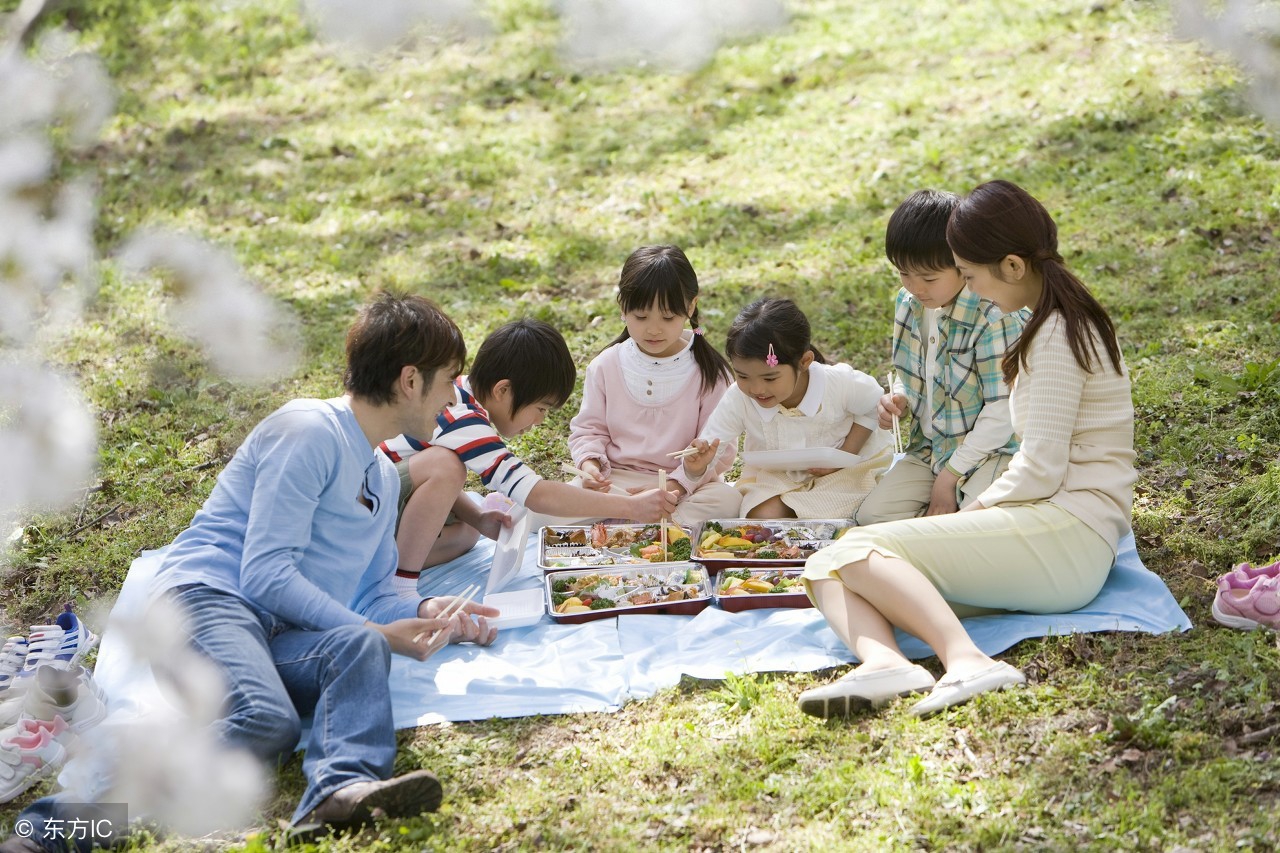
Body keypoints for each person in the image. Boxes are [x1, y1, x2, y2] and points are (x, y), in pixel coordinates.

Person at [0, 292, 502, 852]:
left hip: (274, 633)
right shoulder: (309, 430)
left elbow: (374, 595)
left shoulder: (381, 477)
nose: (456, 397)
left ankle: (341, 788)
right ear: (411, 380)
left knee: (359, 650)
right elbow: (264, 575)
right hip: (208, 601)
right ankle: (54, 827)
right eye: (450, 380)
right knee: (268, 720)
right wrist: (370, 628)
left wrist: (428, 614)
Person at [796, 180, 1136, 719]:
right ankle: (885, 663)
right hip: (1053, 532)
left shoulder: (1054, 335)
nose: (973, 292)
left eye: (972, 276)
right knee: (825, 568)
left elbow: (1040, 470)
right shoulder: (1054, 319)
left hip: (1071, 531)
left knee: (857, 550)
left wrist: (960, 515)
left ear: (1013, 266)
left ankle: (967, 660)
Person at [383, 318, 677, 595]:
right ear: (503, 390)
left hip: (391, 496)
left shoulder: (462, 394)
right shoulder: (464, 419)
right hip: (369, 502)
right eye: (541, 409)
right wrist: (630, 507)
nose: (539, 421)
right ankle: (400, 587)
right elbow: (536, 494)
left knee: (469, 532)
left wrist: (477, 518)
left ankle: (383, 562)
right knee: (449, 469)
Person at [855, 189, 1027, 525]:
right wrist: (900, 396)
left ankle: (948, 514)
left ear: (962, 266)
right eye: (904, 274)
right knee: (872, 517)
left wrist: (949, 477)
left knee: (974, 524)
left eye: (929, 278)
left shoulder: (993, 316)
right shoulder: (909, 305)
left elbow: (1003, 410)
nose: (916, 288)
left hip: (992, 451)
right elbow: (912, 370)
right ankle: (936, 521)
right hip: (929, 449)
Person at [567, 245, 741, 527]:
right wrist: (591, 467)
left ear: (690, 306)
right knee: (542, 508)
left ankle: (625, 524)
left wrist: (674, 486)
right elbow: (589, 429)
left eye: (668, 317)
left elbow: (719, 451)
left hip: (680, 487)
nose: (654, 329)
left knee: (728, 501)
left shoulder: (712, 374)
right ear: (623, 307)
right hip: (617, 482)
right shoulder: (606, 365)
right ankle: (642, 522)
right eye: (641, 317)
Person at [678, 297, 891, 520]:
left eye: (770, 378)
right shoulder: (739, 397)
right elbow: (712, 444)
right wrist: (697, 466)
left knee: (836, 514)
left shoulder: (837, 383)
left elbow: (874, 406)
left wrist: (844, 456)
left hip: (846, 472)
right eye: (742, 376)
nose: (756, 388)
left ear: (805, 361)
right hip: (777, 474)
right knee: (761, 517)